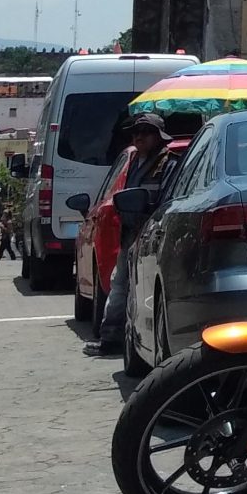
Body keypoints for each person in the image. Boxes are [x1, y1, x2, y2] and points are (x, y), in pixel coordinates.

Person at [85, 111, 171, 357]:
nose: (139, 137)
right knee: (119, 284)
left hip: (151, 235)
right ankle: (111, 339)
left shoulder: (169, 162)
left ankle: (137, 341)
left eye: (145, 132)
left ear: (158, 136)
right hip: (129, 233)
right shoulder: (134, 161)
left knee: (142, 290)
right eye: (136, 132)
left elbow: (164, 201)